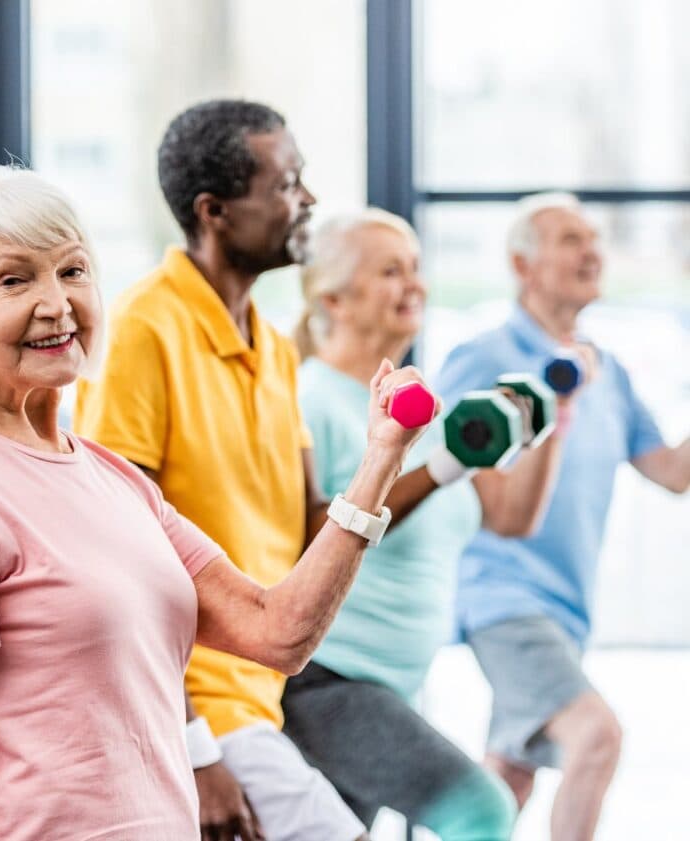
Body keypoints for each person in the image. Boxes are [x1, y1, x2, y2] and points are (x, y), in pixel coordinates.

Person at [0, 164, 432, 841]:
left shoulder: (109, 476)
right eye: (15, 279)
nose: (57, 303)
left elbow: (277, 631)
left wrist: (379, 461)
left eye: (72, 272)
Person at [75, 99, 376, 841]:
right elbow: (116, 558)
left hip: (262, 698)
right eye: (285, 183)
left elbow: (312, 525)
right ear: (214, 211)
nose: (305, 200)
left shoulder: (274, 350)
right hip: (193, 712)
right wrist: (194, 746)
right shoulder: (142, 331)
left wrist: (398, 455)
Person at [279, 209, 571, 839]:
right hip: (331, 681)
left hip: (394, 682)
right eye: (391, 271)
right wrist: (442, 466)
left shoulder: (424, 406)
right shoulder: (311, 397)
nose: (414, 283)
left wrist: (550, 424)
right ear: (333, 296)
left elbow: (510, 516)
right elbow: (309, 533)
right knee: (482, 808)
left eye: (416, 267)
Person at [435, 192, 690, 841]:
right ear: (524, 265)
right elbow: (449, 482)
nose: (592, 252)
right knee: (597, 736)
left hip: (566, 607)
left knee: (507, 780)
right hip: (502, 597)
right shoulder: (484, 355)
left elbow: (672, 472)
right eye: (571, 240)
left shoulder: (606, 369)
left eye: (594, 239)